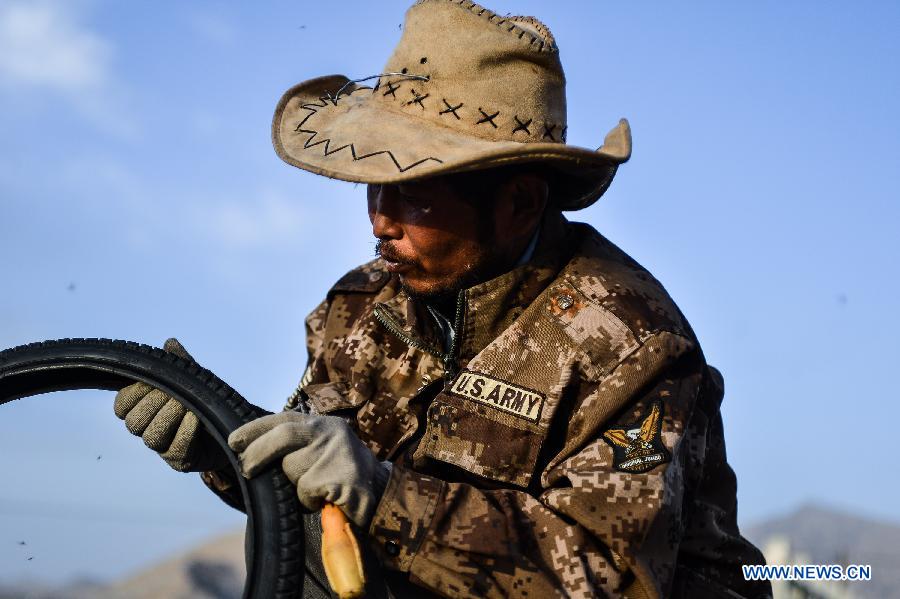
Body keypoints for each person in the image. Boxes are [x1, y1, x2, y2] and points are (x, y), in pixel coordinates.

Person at [114, 2, 771, 597]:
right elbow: (317, 485)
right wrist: (225, 442)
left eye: (416, 190)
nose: (380, 219)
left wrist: (383, 495)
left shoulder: (633, 346)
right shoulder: (360, 308)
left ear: (518, 204)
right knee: (303, 544)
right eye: (375, 183)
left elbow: (607, 574)